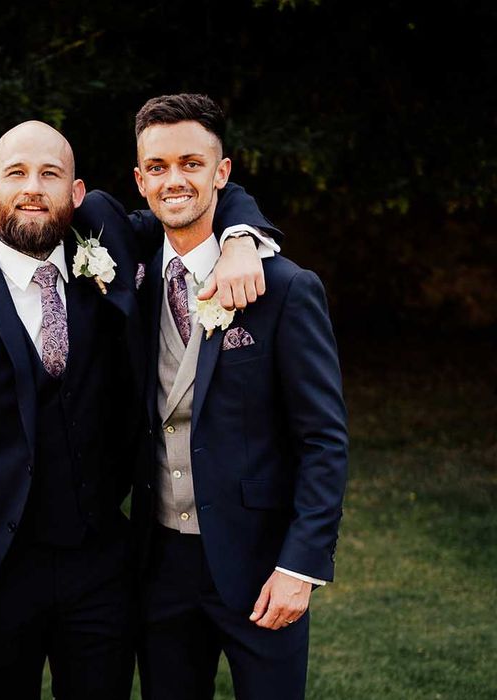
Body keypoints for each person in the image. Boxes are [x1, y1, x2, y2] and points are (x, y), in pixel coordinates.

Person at [0, 119, 280, 699]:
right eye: (16, 173)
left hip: (103, 569)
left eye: (50, 175)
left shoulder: (108, 248)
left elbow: (194, 195)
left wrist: (242, 236)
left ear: (77, 195)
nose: (32, 187)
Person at [125, 94, 349, 700]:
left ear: (222, 173)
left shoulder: (285, 288)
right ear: (141, 178)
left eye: (193, 163)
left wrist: (300, 568)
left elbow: (323, 440)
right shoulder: (126, 269)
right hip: (159, 563)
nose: (175, 180)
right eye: (159, 166)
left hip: (260, 563)